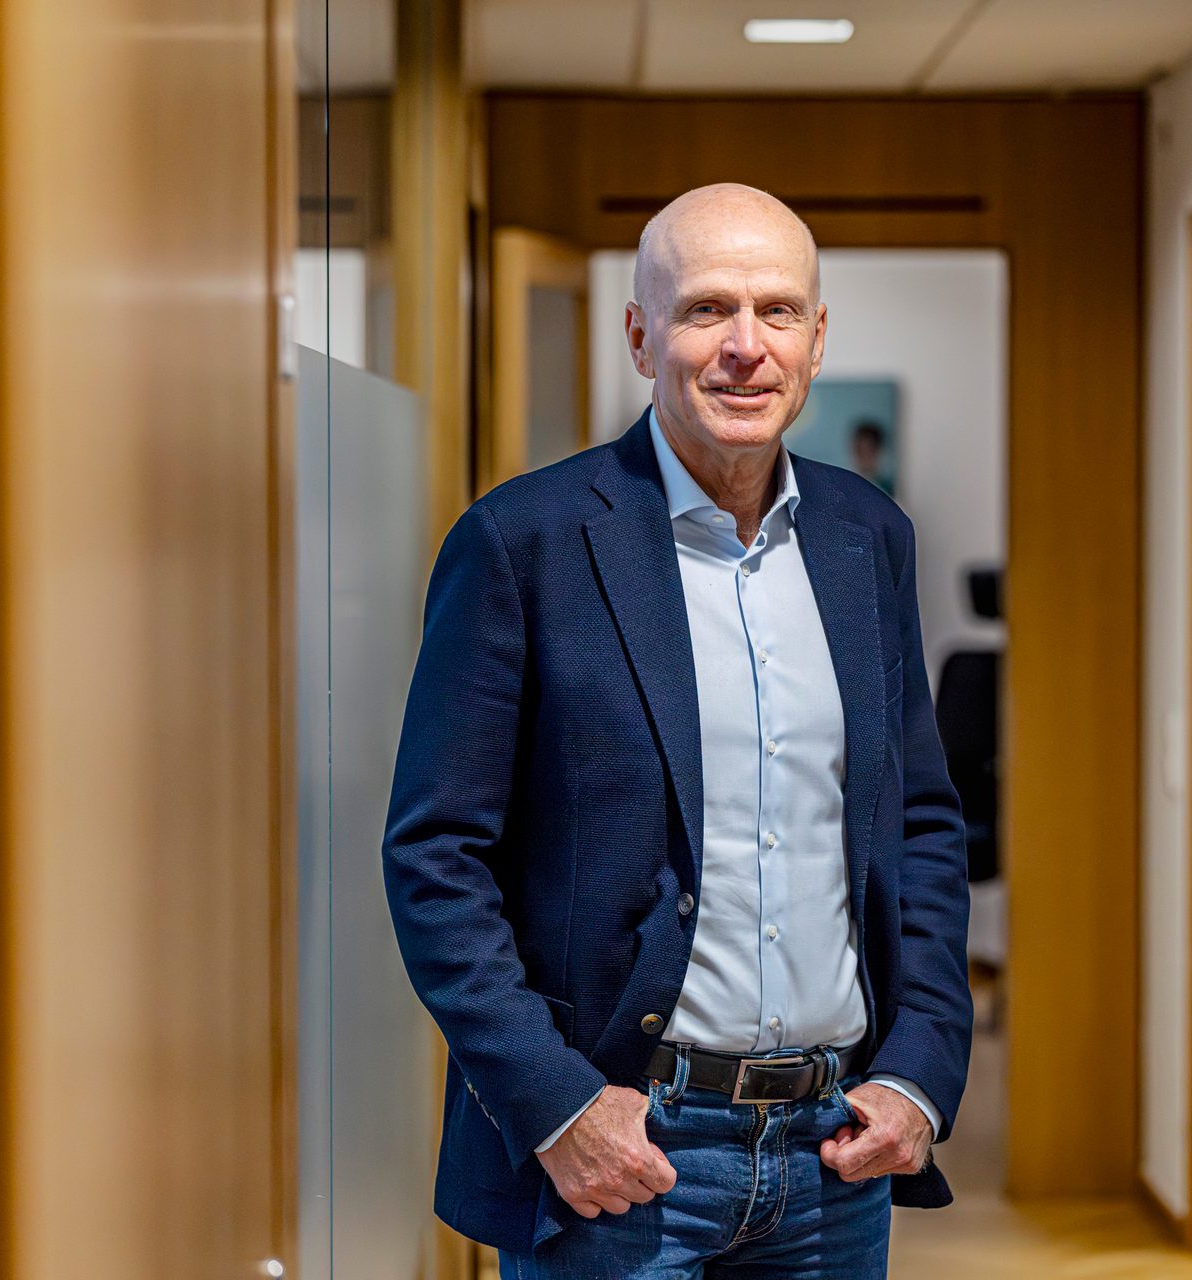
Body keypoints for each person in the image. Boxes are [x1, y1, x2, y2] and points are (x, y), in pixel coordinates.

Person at [382, 182, 972, 1278]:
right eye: (706, 310)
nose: (745, 346)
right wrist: (555, 1105)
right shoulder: (526, 543)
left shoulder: (866, 538)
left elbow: (922, 826)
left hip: (832, 1158)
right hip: (625, 1160)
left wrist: (921, 1066)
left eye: (778, 311)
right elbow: (433, 856)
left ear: (817, 336)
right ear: (641, 333)